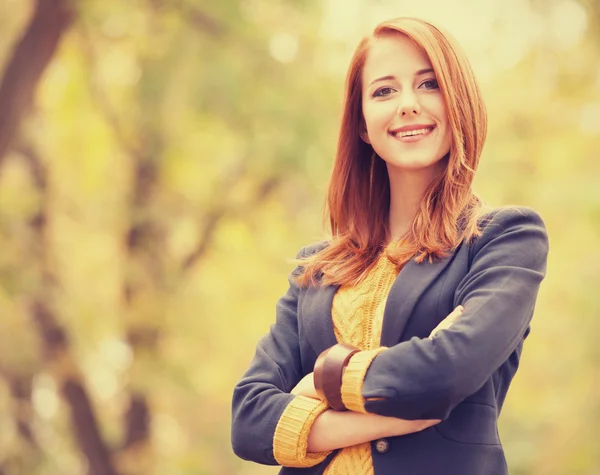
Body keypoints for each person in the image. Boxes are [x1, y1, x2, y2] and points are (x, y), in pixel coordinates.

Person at [231, 16, 549, 475]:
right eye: (384, 91)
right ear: (362, 124)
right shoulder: (316, 268)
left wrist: (319, 382)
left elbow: (444, 374)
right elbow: (247, 421)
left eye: (428, 84)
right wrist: (389, 415)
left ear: (458, 102)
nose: (407, 105)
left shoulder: (504, 239)